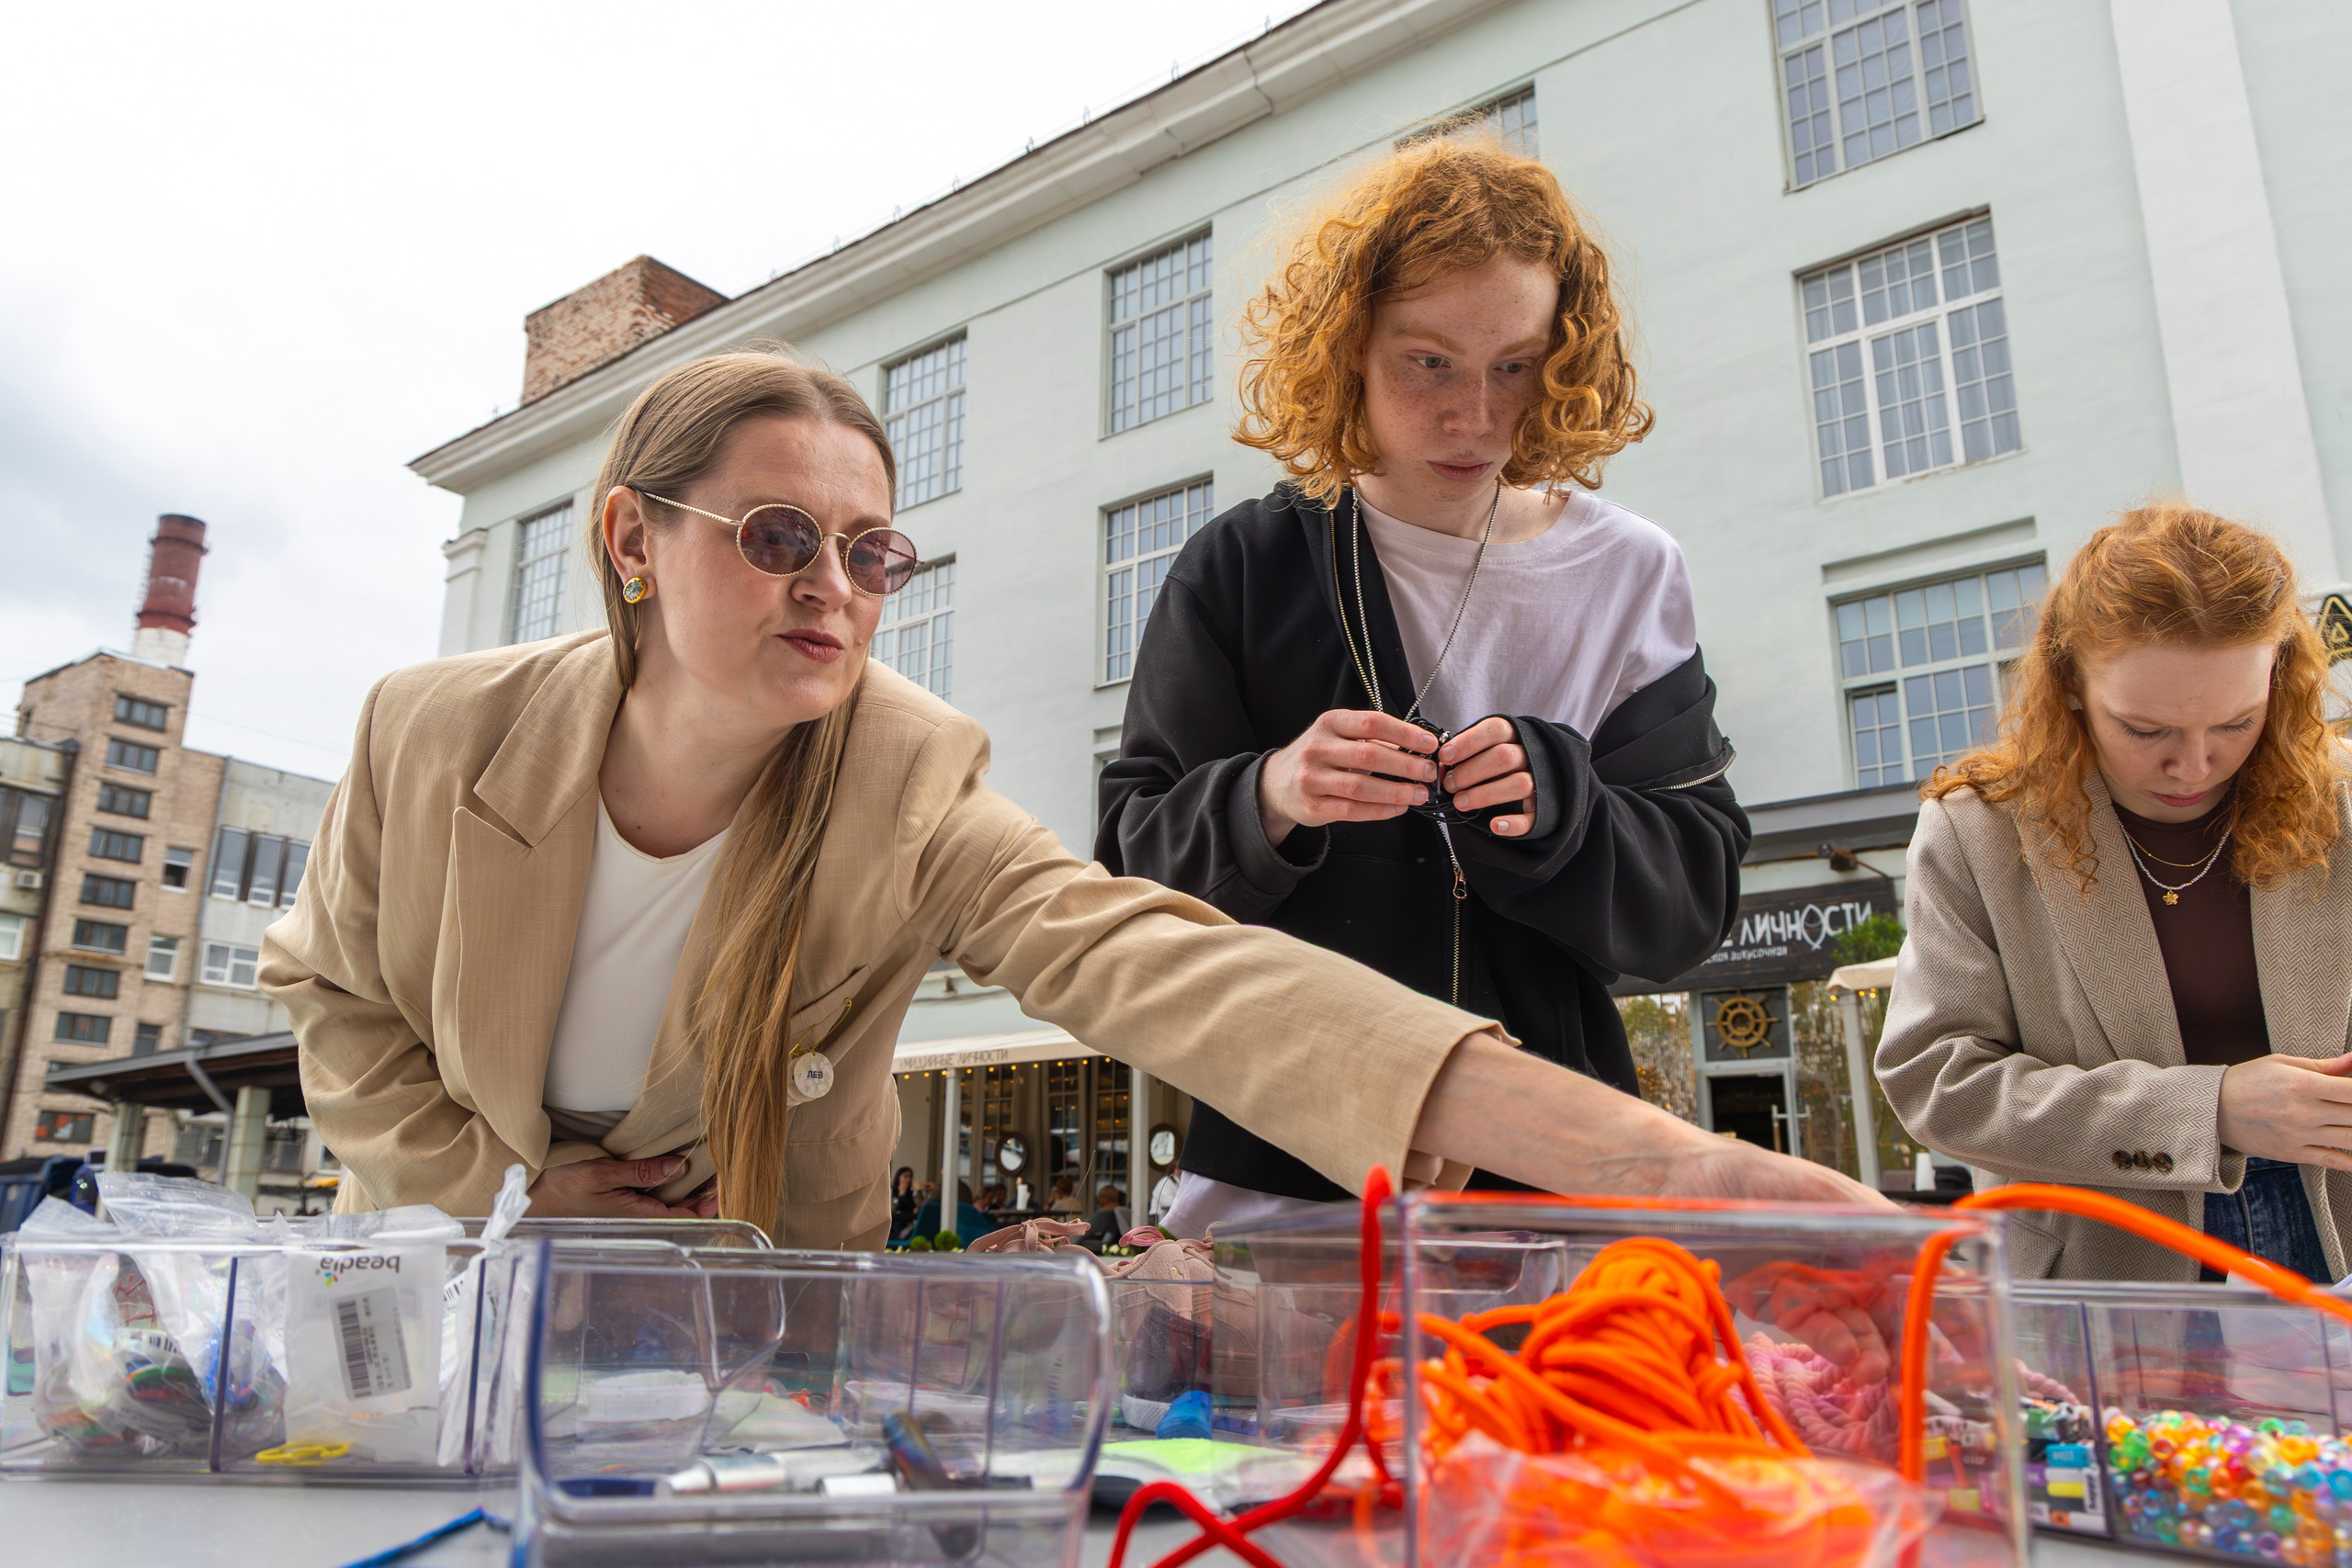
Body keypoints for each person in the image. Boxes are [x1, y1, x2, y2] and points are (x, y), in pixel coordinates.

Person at [264, 348, 1867, 1246]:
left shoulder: (906, 770)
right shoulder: (431, 735)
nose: (836, 586)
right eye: (776, 537)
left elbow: (1162, 963)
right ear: (631, 540)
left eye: (871, 551)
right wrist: (497, 1184)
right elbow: (328, 988)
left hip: (755, 1288)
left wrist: (1676, 1165)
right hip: (452, 1271)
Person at [1097, 136, 1749, 1235]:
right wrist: (1271, 798)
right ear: (1347, 346)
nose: (1474, 416)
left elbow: (1692, 904)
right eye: (1427, 361)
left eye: (1515, 363)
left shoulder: (1630, 570)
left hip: (1557, 1189)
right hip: (1290, 1176)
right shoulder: (1244, 565)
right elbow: (1130, 872)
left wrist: (1565, 807)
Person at [1878, 503, 2352, 1282]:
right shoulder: (1981, 832)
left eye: (2237, 721)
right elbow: (1938, 1081)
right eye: (2145, 729)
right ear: (2068, 685)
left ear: (2281, 677)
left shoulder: (2340, 801)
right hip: (2103, 1258)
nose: (2195, 765)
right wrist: (2211, 1111)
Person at [888, 1166, 920, 1242]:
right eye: (905, 1176)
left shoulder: (912, 1194)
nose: (908, 1179)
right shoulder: (891, 1192)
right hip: (895, 1227)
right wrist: (901, 1194)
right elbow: (892, 1209)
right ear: (898, 1178)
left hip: (910, 1224)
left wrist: (918, 1192)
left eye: (910, 1177)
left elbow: (919, 1208)